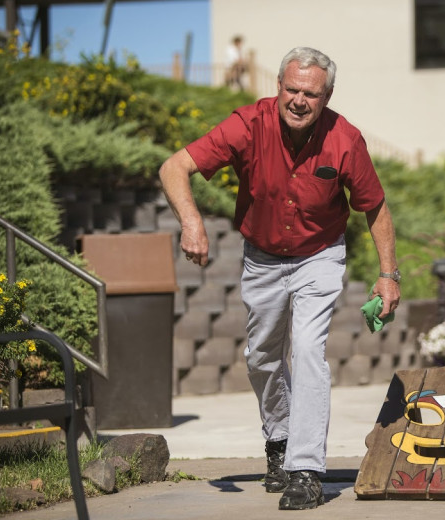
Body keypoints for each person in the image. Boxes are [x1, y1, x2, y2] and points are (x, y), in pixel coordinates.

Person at [159, 47, 401, 511]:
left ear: (326, 96)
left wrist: (388, 275)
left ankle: (306, 468)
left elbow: (375, 207)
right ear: (278, 86)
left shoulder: (345, 139)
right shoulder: (248, 125)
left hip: (320, 256)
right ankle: (280, 439)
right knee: (262, 357)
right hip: (263, 256)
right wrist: (191, 222)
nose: (298, 100)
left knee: (309, 351)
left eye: (310, 93)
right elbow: (175, 167)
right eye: (291, 89)